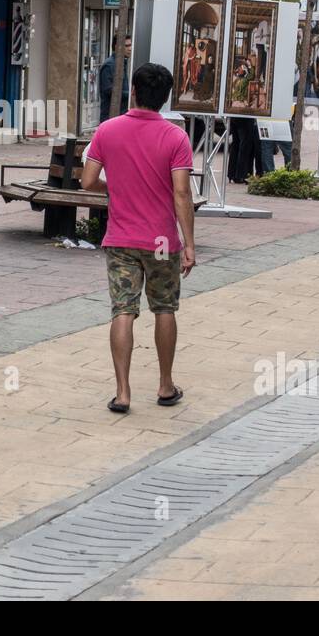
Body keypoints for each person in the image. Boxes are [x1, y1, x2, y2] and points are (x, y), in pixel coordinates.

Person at [81, 63, 195, 414]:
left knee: (123, 310)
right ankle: (164, 385)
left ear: (133, 91)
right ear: (166, 97)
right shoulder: (176, 137)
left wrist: (114, 189)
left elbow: (87, 182)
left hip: (121, 237)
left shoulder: (107, 130)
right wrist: (188, 243)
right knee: (164, 308)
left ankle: (123, 393)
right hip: (161, 241)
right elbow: (181, 193)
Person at [98, 34, 131, 123]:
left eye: (130, 45)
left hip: (121, 115)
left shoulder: (121, 63)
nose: (130, 48)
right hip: (110, 116)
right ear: (117, 47)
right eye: (127, 46)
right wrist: (130, 95)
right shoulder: (110, 65)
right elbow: (108, 90)